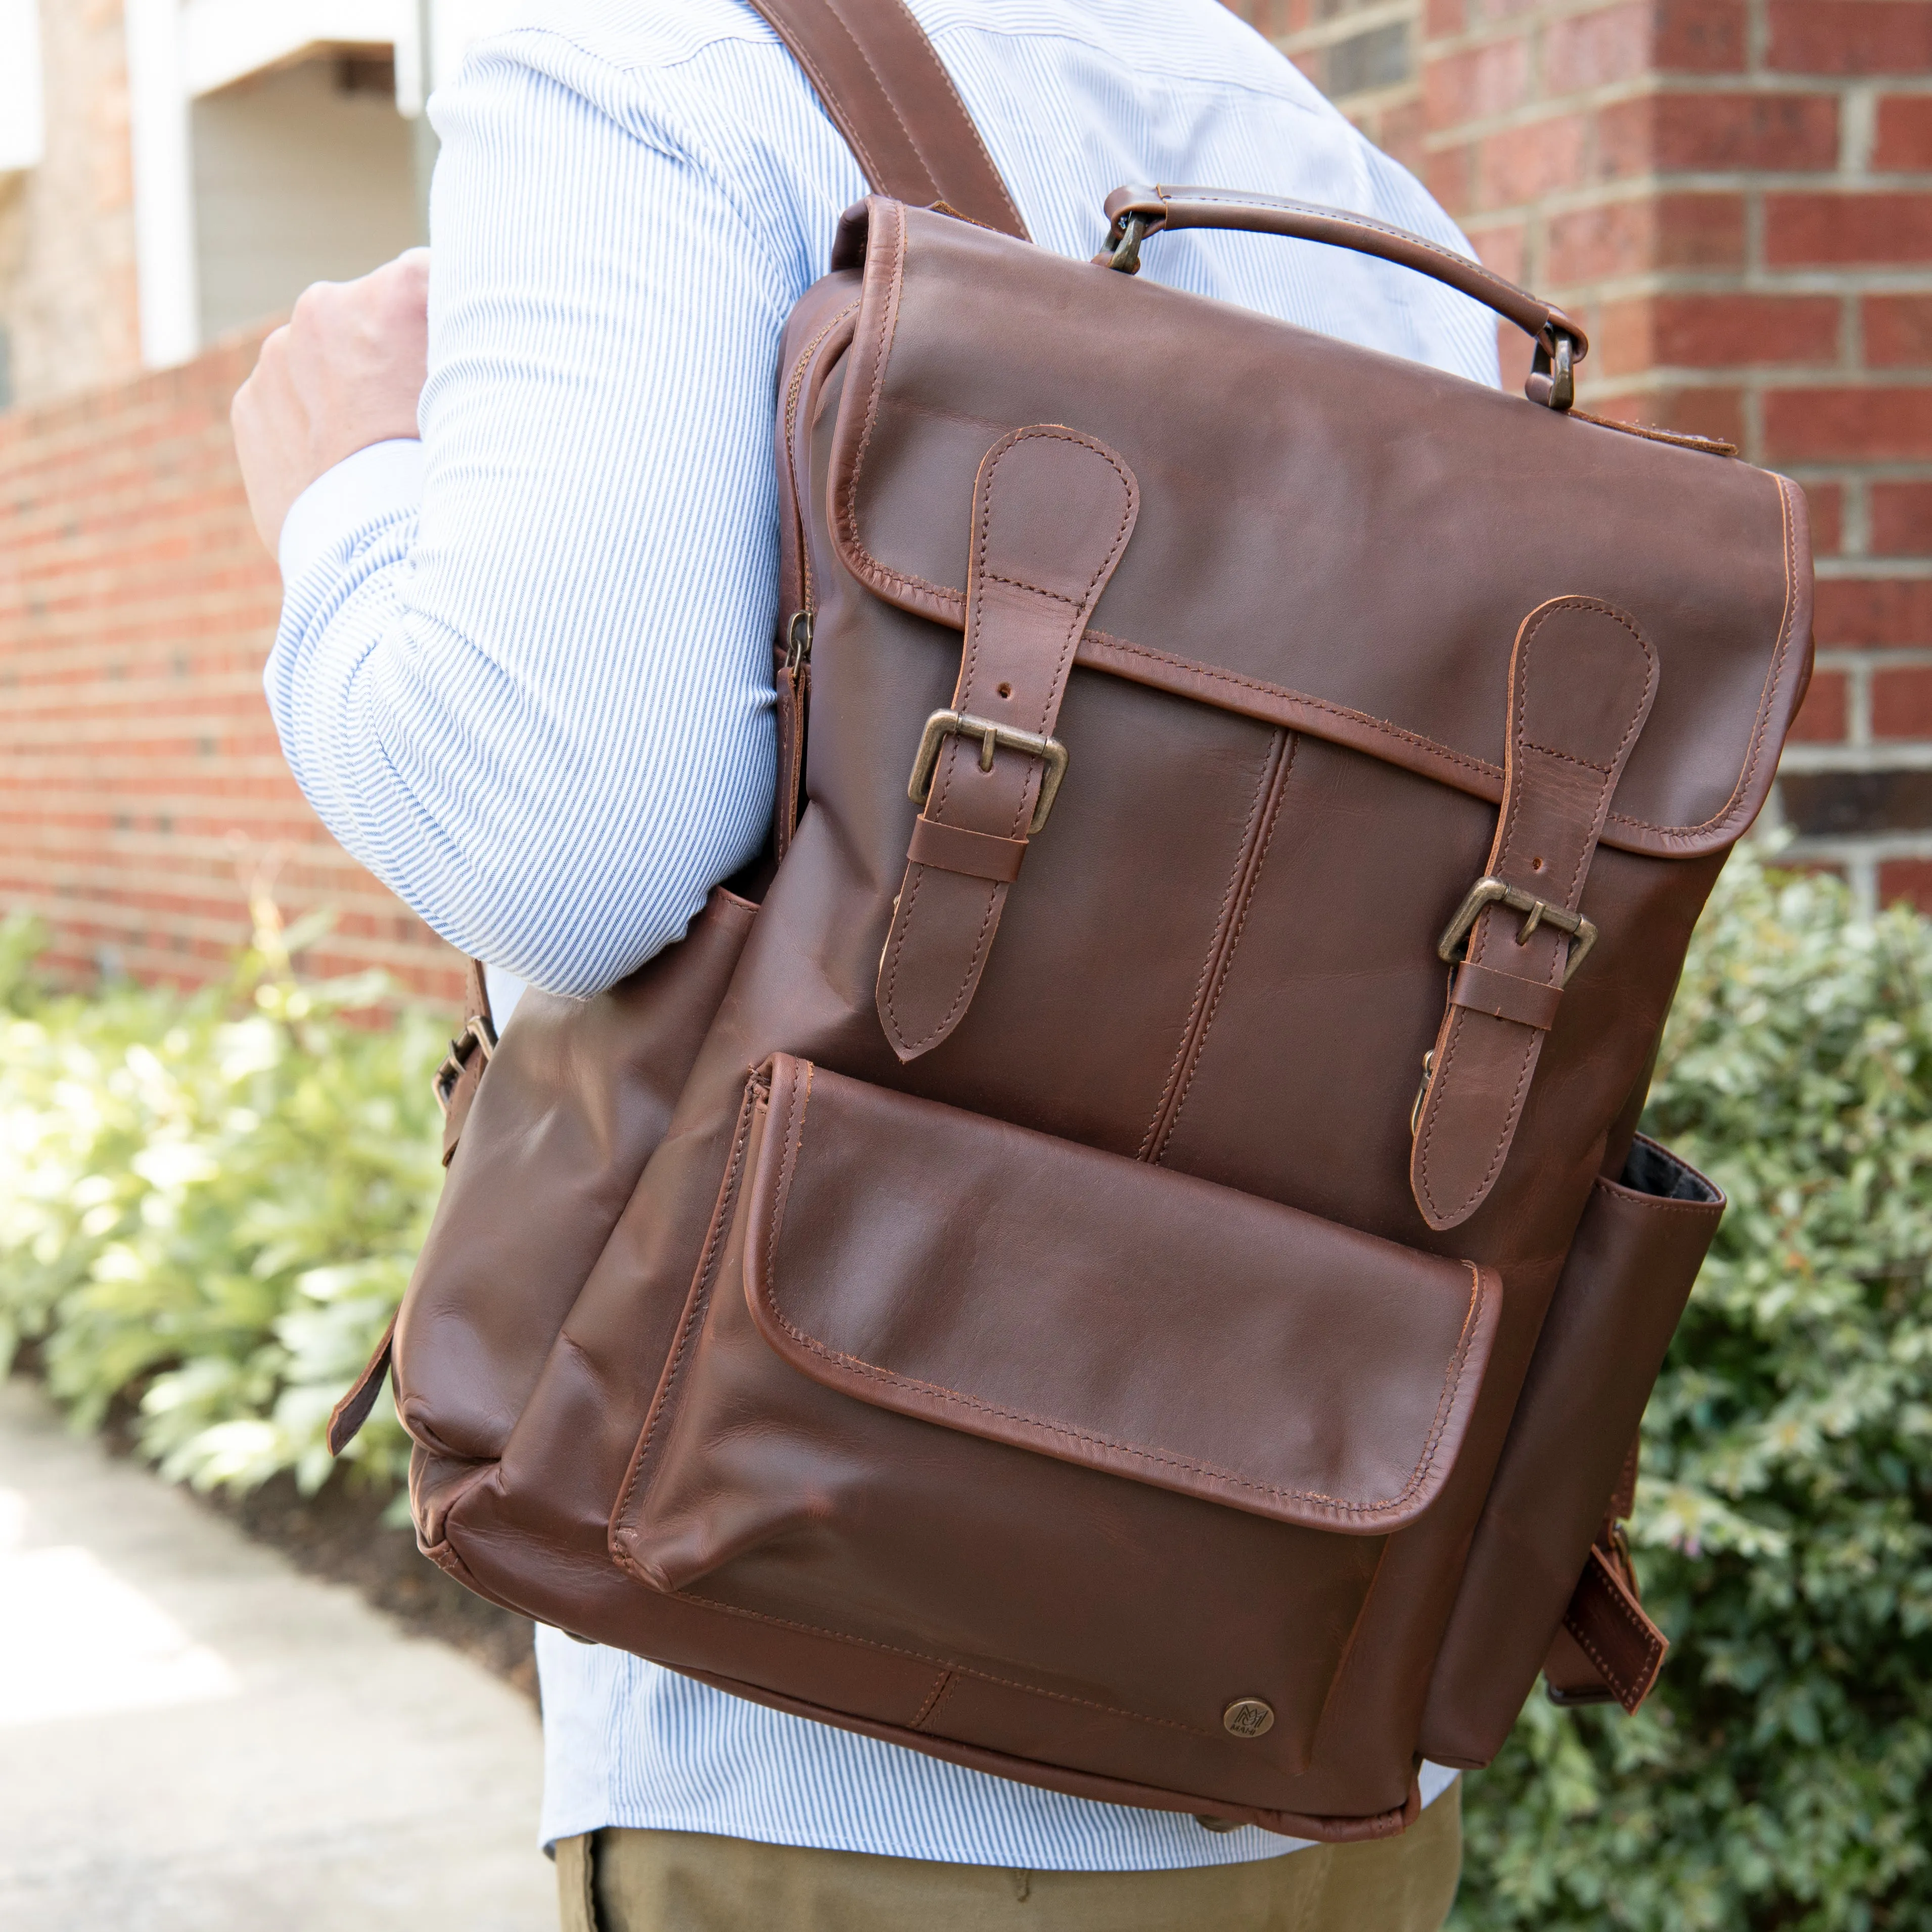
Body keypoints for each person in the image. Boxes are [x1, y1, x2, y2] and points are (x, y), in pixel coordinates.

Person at [232, 1, 1499, 1924]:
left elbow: (561, 842)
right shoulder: (1317, 151)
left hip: (835, 1764)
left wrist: (342, 497)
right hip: (1318, 1732)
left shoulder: (645, 72)